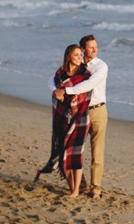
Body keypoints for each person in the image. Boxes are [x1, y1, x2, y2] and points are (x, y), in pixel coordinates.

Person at [51, 34, 108, 200]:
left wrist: (66, 91)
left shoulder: (101, 66)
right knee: (73, 149)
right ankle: (80, 186)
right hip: (79, 111)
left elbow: (88, 84)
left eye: (96, 46)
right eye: (91, 47)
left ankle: (95, 189)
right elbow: (54, 80)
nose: (95, 50)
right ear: (82, 49)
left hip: (97, 111)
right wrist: (55, 90)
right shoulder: (77, 64)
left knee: (97, 152)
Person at [35, 44, 92, 198]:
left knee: (75, 154)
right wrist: (56, 91)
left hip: (79, 118)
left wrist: (65, 93)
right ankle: (73, 187)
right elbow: (51, 83)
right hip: (62, 119)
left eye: (80, 55)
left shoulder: (85, 75)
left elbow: (84, 92)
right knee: (62, 155)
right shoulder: (60, 74)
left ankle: (75, 191)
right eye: (76, 55)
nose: (79, 58)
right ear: (69, 57)